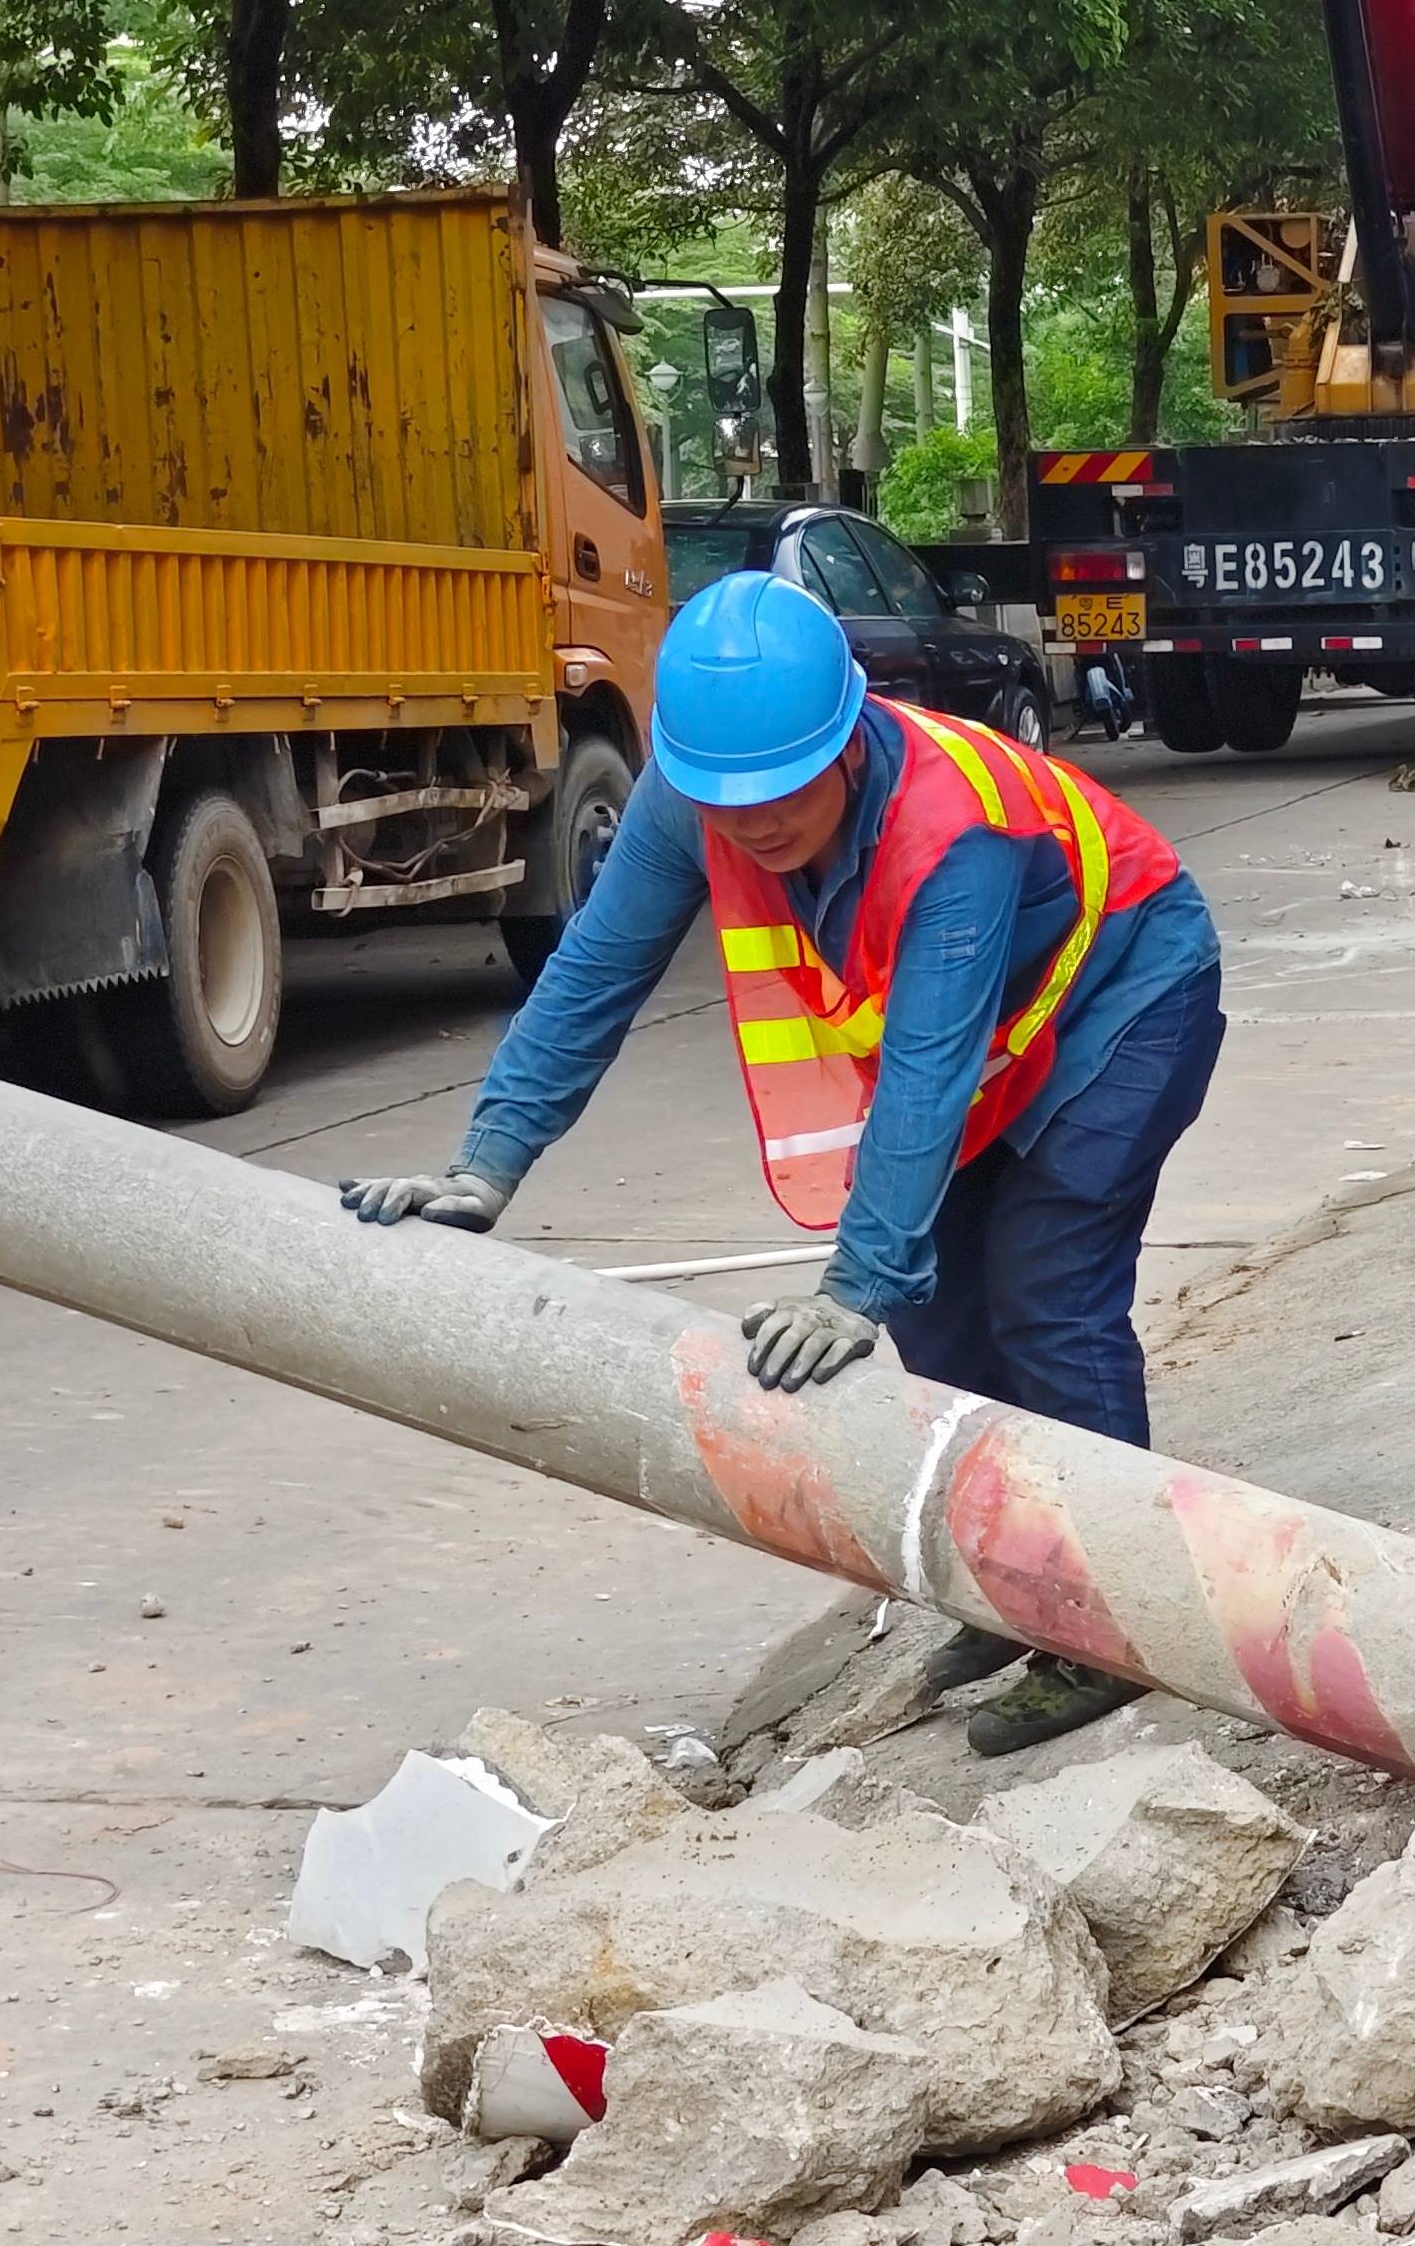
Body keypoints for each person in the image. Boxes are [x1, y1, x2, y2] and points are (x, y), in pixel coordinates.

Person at [341, 572, 1225, 1757]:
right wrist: (488, 1162)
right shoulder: (689, 796)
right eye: (722, 797)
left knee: (1046, 1292)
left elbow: (925, 1065)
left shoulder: (952, 827)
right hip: (1001, 1032)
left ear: (849, 736)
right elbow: (595, 971)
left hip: (1129, 996)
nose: (752, 822)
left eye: (782, 791)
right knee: (949, 1321)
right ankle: (1025, 1587)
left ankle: (1117, 1619)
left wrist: (853, 1283)